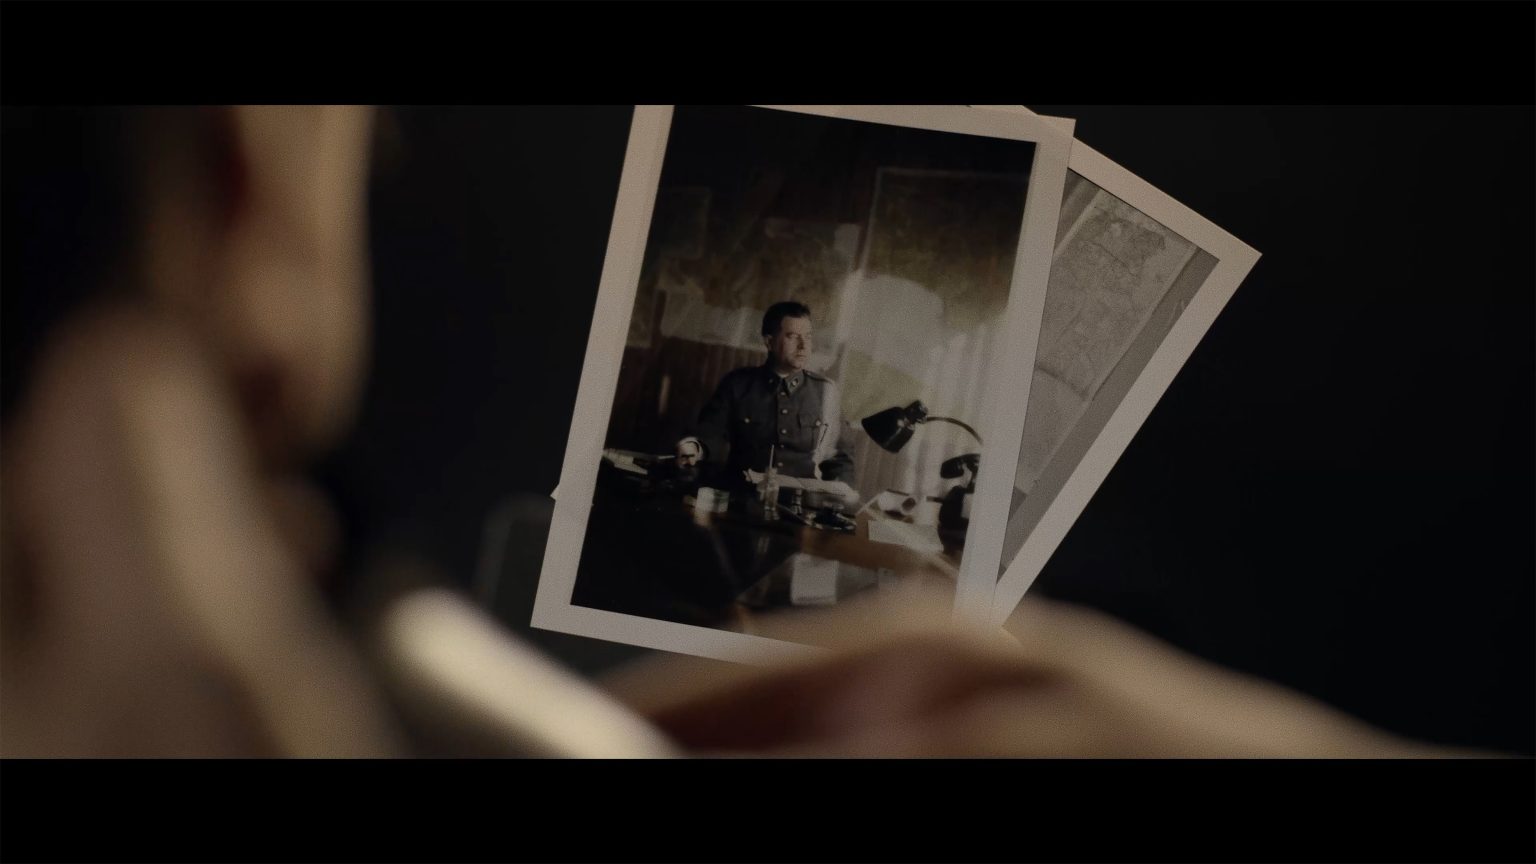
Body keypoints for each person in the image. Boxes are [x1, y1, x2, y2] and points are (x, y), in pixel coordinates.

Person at [0, 105, 1468, 758]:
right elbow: (701, 451)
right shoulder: (729, 393)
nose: (790, 353)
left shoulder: (826, 400)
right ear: (249, 183)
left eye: (797, 343)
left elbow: (824, 469)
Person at [675, 301, 855, 487]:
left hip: (800, 500)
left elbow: (840, 458)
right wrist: (694, 447)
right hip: (742, 493)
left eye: (808, 337)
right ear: (769, 342)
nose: (803, 346)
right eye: (792, 336)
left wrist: (839, 493)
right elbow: (711, 431)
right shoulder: (738, 384)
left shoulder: (825, 392)